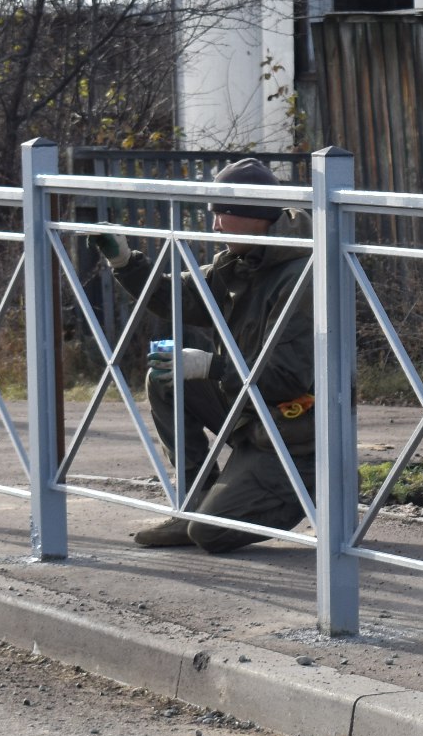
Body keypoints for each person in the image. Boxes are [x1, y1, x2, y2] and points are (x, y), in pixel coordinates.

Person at [91, 158, 317, 553]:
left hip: (293, 431)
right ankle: (194, 506)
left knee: (211, 536)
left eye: (221, 215)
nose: (214, 227)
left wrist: (210, 366)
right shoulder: (238, 265)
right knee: (165, 378)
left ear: (254, 217)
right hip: (250, 415)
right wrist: (125, 263)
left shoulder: (300, 276)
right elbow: (173, 297)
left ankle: (319, 487)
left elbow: (288, 378)